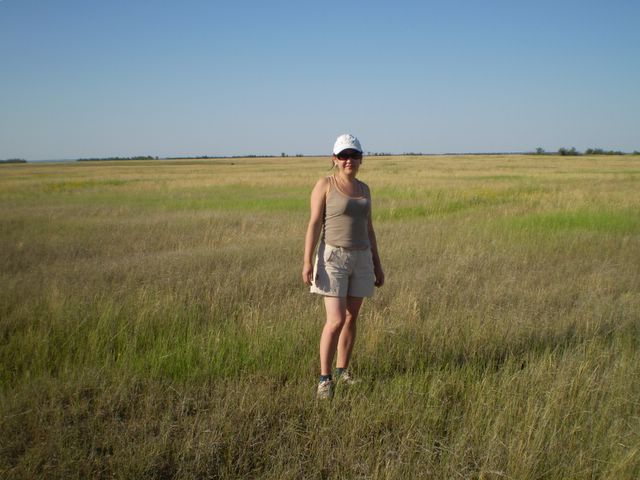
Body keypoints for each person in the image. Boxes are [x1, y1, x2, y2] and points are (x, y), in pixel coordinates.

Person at [302, 134, 384, 399]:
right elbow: (314, 223)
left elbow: (369, 228)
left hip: (362, 258)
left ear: (361, 159)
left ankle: (342, 372)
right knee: (336, 319)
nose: (349, 160)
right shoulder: (325, 184)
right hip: (333, 258)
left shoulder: (364, 189)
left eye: (354, 155)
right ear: (334, 159)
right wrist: (307, 261)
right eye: (343, 156)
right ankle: (324, 379)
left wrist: (377, 264)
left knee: (351, 317)